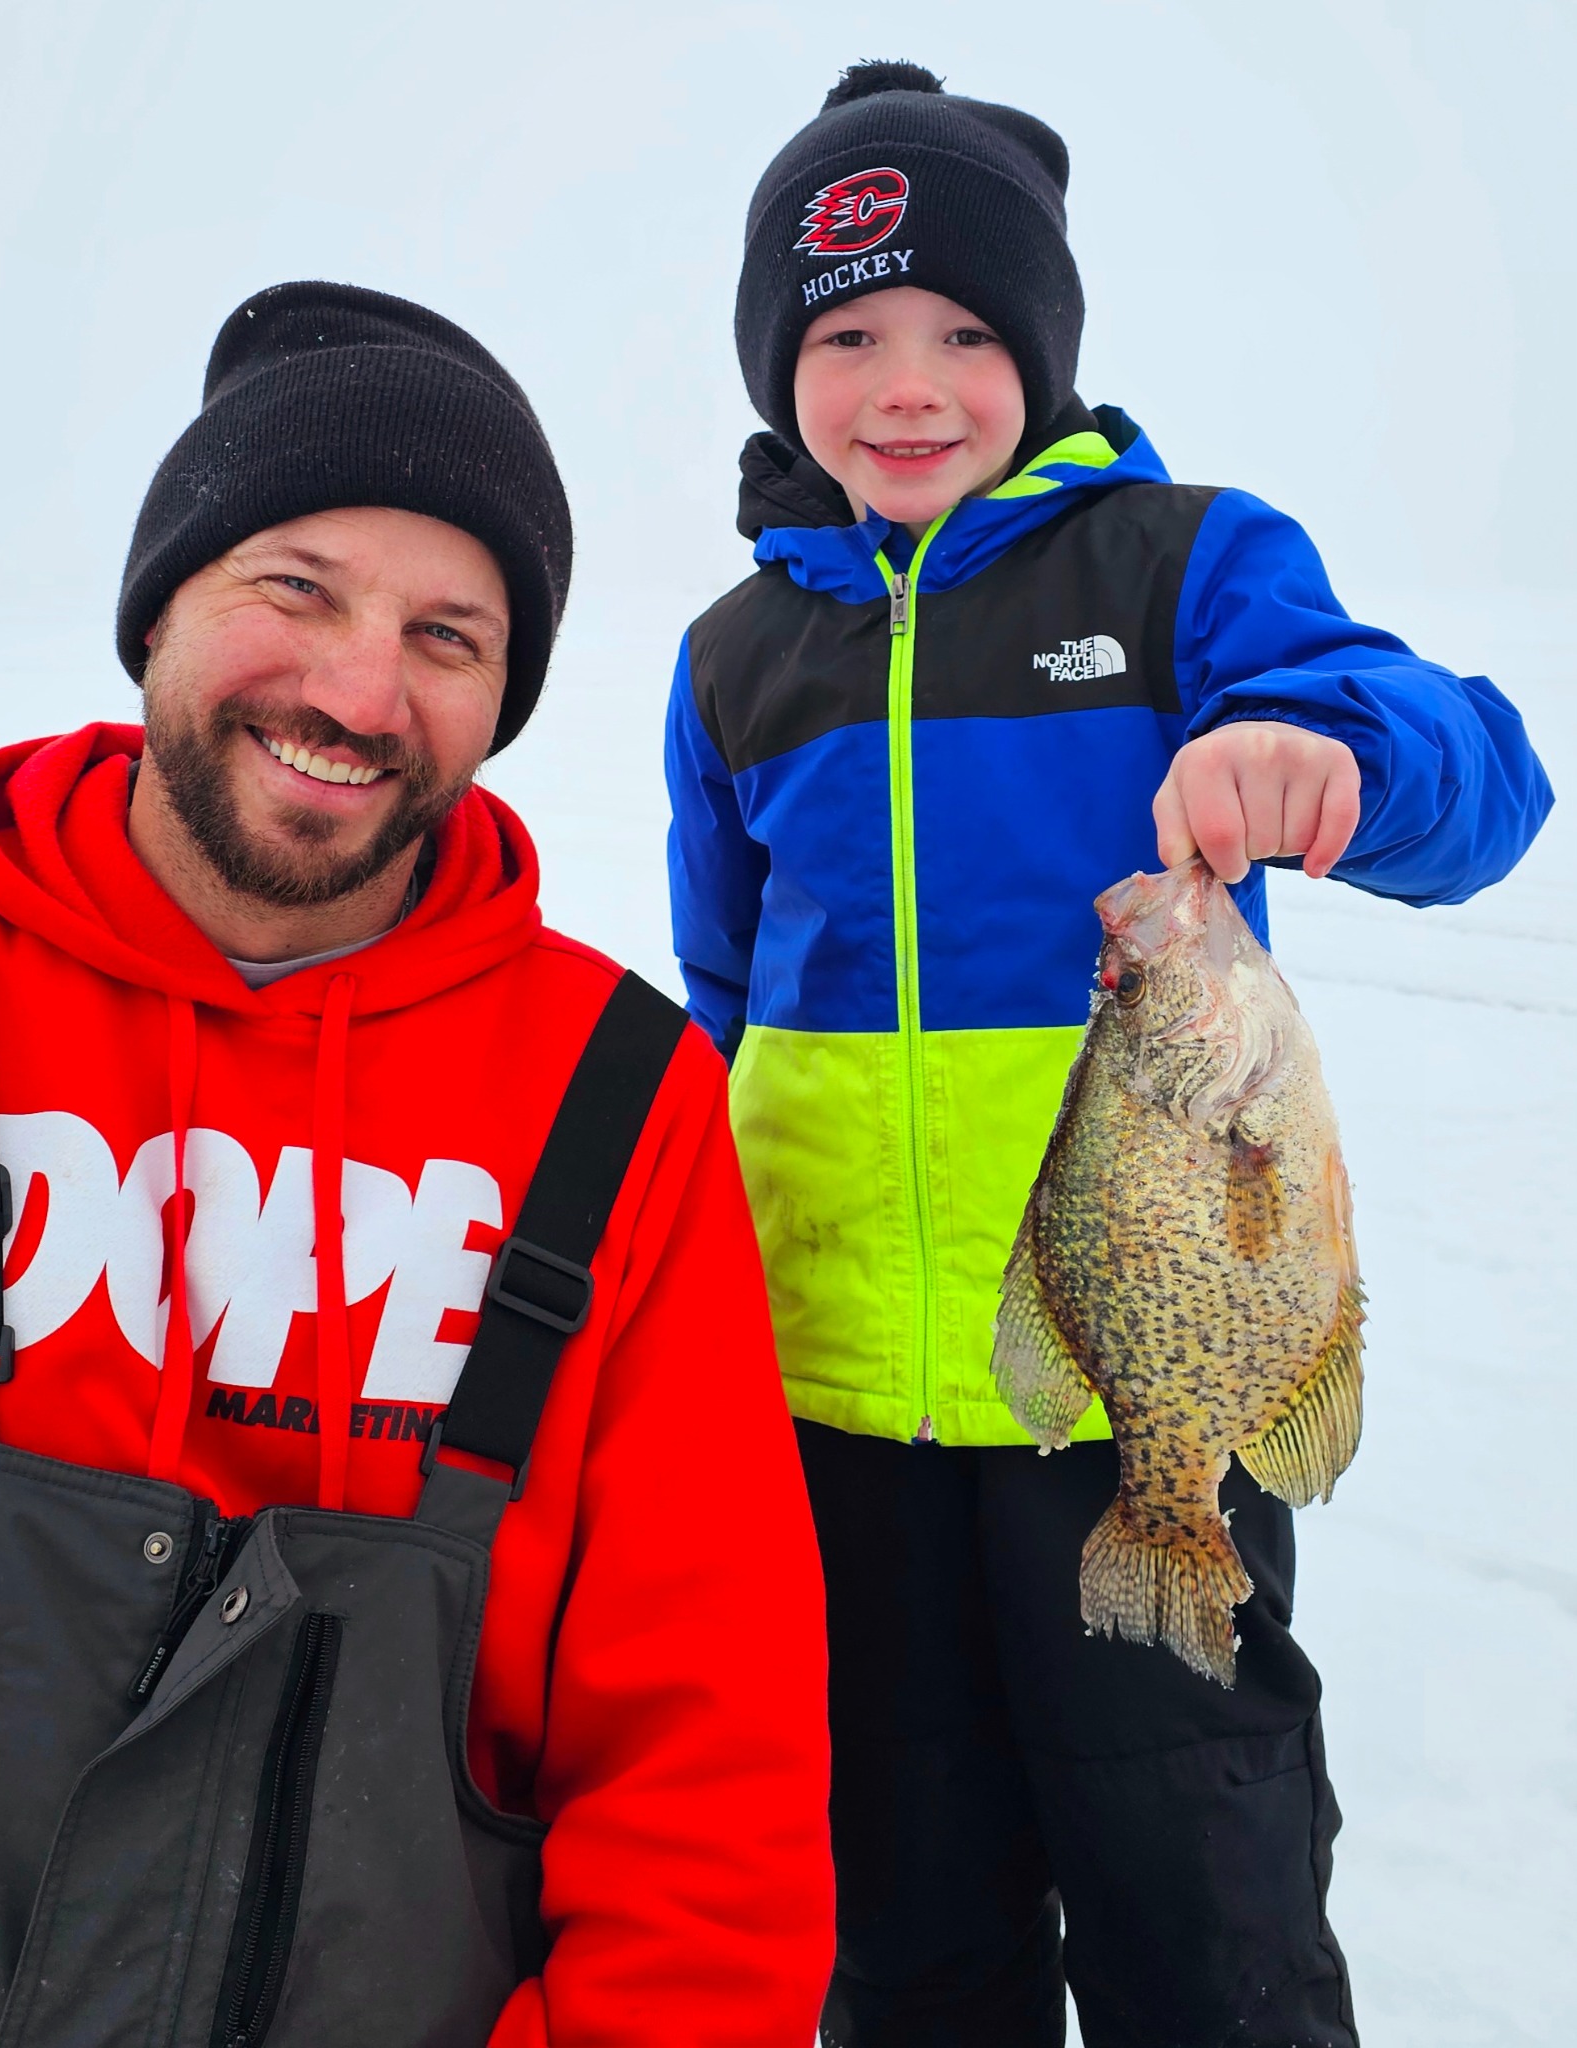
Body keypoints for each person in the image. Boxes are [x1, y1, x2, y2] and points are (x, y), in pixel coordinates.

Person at [0, 280, 835, 2046]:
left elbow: (706, 1775)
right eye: (297, 590)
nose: (358, 691)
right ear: (160, 606)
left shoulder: (617, 1097)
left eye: (449, 637)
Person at [664, 61, 1553, 2048]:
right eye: (848, 334)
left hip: (1137, 1395)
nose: (909, 383)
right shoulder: (733, 659)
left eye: (966, 331)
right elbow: (726, 1003)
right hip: (827, 1421)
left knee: (1200, 1909)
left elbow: (1474, 772)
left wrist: (1326, 760)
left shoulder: (1178, 564)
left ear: (1041, 352)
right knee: (898, 1926)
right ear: (774, 368)